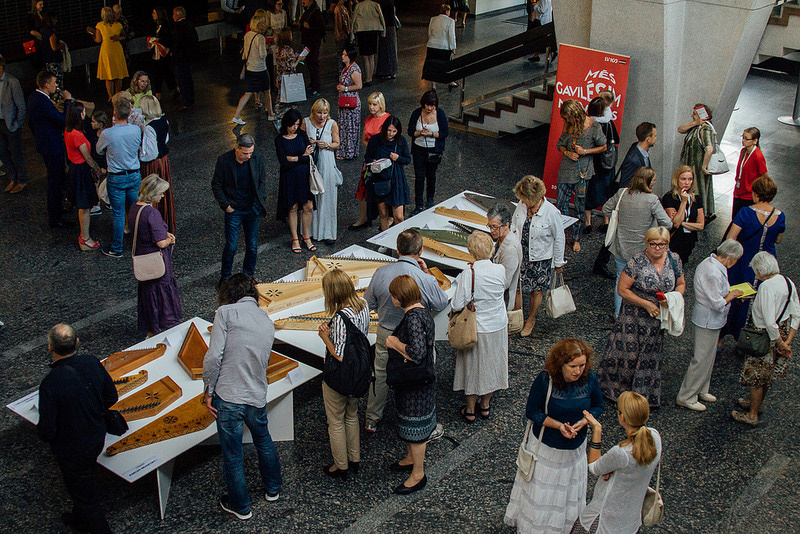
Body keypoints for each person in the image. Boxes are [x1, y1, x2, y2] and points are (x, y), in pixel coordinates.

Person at [203, 274, 283, 520]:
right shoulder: (266, 320)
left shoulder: (224, 313)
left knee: (233, 455)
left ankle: (241, 506)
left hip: (228, 395)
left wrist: (208, 390)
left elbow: (214, 357)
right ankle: (273, 489)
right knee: (264, 441)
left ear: (229, 293)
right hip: (256, 394)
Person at [504, 338, 604, 534]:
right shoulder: (545, 380)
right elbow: (532, 412)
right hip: (547, 450)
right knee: (544, 496)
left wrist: (584, 421)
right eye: (573, 366)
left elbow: (598, 406)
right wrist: (559, 426)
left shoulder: (590, 378)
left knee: (566, 494)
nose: (578, 371)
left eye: (582, 365)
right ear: (561, 364)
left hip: (575, 451)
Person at [364, 229, 449, 433]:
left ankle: (372, 418)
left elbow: (368, 304)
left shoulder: (381, 273)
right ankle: (423, 418)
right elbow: (441, 303)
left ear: (397, 249)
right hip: (416, 334)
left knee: (380, 374)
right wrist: (427, 274)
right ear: (420, 251)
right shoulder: (424, 279)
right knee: (423, 372)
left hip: (387, 333)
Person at [38, 323, 116, 534]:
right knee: (82, 481)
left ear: (50, 347)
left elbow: (47, 430)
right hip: (97, 436)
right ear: (77, 342)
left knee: (85, 497)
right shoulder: (91, 362)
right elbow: (111, 396)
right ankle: (77, 518)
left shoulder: (50, 384)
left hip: (73, 449)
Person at [598, 227, 685, 408]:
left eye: (662, 244)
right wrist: (646, 304)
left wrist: (672, 298)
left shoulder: (674, 260)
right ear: (646, 244)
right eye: (653, 244)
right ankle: (617, 392)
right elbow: (622, 289)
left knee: (649, 357)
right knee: (627, 355)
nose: (657, 248)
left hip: (657, 318)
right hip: (633, 317)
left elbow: (681, 283)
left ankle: (642, 395)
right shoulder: (637, 261)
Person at [576, 391, 662, 534]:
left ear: (622, 417)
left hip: (604, 520)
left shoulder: (621, 453)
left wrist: (597, 429)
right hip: (630, 521)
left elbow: (594, 467)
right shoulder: (655, 437)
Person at [732, 252, 800, 426]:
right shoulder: (788, 281)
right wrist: (787, 341)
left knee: (756, 376)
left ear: (761, 270)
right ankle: (756, 404)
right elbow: (796, 314)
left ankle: (752, 414)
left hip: (764, 336)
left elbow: (769, 322)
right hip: (782, 333)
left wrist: (780, 344)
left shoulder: (766, 287)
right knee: (767, 375)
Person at [385, 274, 439, 494]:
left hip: (415, 385)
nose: (392, 299)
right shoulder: (423, 311)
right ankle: (410, 458)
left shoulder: (412, 319)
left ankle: (418, 474)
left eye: (393, 295)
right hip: (421, 381)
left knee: (416, 430)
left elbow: (417, 353)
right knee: (413, 427)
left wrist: (394, 343)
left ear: (401, 297)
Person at [675, 240, 744, 412]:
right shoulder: (712, 272)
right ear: (730, 257)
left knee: (709, 357)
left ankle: (701, 388)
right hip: (707, 319)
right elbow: (717, 302)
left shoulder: (712, 263)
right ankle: (686, 396)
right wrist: (732, 295)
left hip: (712, 319)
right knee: (700, 359)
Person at [317, 269, 370, 479]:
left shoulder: (340, 317)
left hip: (339, 377)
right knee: (352, 415)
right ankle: (355, 458)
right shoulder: (363, 305)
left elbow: (340, 355)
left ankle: (341, 466)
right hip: (358, 373)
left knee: (336, 422)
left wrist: (325, 338)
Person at [452, 232, 508, 422]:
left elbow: (457, 304)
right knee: (491, 365)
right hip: (498, 324)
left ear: (471, 251)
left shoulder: (469, 273)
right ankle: (485, 405)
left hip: (476, 327)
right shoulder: (500, 269)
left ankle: (470, 409)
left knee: (472, 368)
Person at [602, 167, 672, 316]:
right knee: (640, 283)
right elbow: (667, 223)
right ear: (647, 182)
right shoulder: (652, 200)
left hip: (621, 246)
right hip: (642, 250)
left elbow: (606, 209)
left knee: (620, 280)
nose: (654, 183)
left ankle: (618, 314)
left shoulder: (622, 193)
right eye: (653, 180)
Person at [723, 175, 784, 341]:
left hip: (744, 260)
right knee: (760, 299)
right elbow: (778, 239)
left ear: (756, 194)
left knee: (736, 295)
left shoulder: (745, 212)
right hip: (767, 264)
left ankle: (727, 333)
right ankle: (749, 338)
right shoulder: (780, 216)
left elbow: (731, 238)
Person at [510, 175, 566, 337]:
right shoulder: (521, 206)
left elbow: (559, 238)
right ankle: (518, 317)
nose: (522, 202)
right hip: (521, 254)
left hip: (540, 258)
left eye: (525, 199)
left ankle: (531, 319)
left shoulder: (552, 213)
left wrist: (558, 262)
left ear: (534, 197)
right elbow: (514, 224)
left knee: (536, 291)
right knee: (517, 288)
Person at [127, 174, 182, 336]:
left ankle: (152, 328)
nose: (162, 196)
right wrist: (169, 239)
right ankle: (166, 325)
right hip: (157, 261)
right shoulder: (152, 213)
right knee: (162, 295)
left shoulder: (135, 208)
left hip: (143, 259)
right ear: (151, 194)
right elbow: (161, 243)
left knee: (149, 295)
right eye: (160, 193)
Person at [212, 134, 268, 286]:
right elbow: (216, 185)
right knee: (231, 246)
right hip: (234, 209)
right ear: (236, 148)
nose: (248, 156)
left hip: (252, 208)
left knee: (252, 246)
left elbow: (262, 181)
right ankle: (225, 278)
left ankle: (248, 276)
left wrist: (258, 203)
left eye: (250, 153)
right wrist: (226, 206)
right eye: (245, 153)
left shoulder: (257, 158)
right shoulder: (224, 160)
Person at [556, 99, 607, 252]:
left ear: (575, 114)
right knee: (561, 205)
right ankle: (560, 236)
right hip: (566, 171)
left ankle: (576, 238)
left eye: (568, 117)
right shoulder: (568, 125)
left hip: (582, 174)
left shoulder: (593, 126)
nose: (567, 120)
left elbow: (603, 146)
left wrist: (585, 151)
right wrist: (567, 152)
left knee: (579, 207)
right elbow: (560, 144)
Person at [97, 96, 142, 258]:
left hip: (116, 177)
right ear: (129, 113)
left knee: (118, 213)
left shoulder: (108, 133)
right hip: (134, 174)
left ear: (114, 113)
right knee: (136, 210)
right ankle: (141, 244)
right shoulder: (136, 130)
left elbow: (99, 150)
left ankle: (117, 247)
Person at [27, 70, 72, 227]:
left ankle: (57, 208)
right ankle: (55, 217)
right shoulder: (43, 102)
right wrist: (67, 101)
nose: (56, 85)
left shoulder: (33, 97)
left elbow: (31, 123)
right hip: (52, 146)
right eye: (54, 83)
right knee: (55, 181)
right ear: (46, 85)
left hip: (44, 143)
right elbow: (62, 120)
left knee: (56, 178)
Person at [275, 109, 317, 253]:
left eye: (297, 124)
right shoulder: (279, 139)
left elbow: (311, 157)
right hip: (289, 177)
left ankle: (306, 236)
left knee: (308, 206)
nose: (295, 127)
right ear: (286, 124)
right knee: (292, 207)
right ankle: (295, 238)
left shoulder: (302, 135)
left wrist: (294, 158)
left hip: (304, 176)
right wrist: (302, 156)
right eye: (292, 124)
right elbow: (284, 162)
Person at [303, 98, 343, 244]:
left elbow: (337, 144)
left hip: (327, 162)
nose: (322, 116)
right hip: (312, 162)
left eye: (325, 113)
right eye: (319, 113)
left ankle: (328, 233)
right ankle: (310, 231)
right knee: (311, 196)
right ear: (314, 112)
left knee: (327, 196)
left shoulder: (332, 124)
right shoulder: (305, 122)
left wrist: (326, 145)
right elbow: (299, 139)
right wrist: (307, 142)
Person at [64, 102, 103, 251]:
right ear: (79, 115)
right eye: (83, 112)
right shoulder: (77, 134)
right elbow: (87, 157)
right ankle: (85, 238)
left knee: (82, 205)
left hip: (74, 169)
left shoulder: (68, 130)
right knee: (84, 206)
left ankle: (84, 237)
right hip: (81, 171)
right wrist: (97, 168)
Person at [349, 91, 389, 230]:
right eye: (370, 104)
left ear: (381, 105)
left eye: (374, 104)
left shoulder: (387, 119)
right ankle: (363, 217)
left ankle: (388, 218)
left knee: (384, 189)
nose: (371, 107)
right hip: (370, 158)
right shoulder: (368, 119)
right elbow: (365, 139)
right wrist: (372, 150)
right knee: (363, 188)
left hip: (383, 160)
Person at [364, 115, 411, 231]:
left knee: (399, 217)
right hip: (380, 179)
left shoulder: (401, 141)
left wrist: (398, 158)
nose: (391, 134)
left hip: (396, 179)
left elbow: (407, 159)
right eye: (389, 130)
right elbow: (367, 156)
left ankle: (400, 238)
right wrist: (373, 161)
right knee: (383, 213)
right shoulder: (375, 140)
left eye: (394, 131)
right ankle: (384, 237)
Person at [408, 89, 449, 215]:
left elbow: (444, 133)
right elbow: (410, 131)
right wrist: (420, 133)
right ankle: (418, 204)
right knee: (419, 177)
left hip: (433, 150)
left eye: (432, 106)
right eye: (427, 105)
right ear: (423, 103)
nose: (430, 108)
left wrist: (430, 134)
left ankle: (430, 199)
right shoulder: (417, 113)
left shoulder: (440, 114)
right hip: (419, 149)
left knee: (431, 176)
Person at [139, 95, 175, 234]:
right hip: (163, 160)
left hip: (154, 163)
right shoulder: (164, 121)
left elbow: (151, 153)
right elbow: (165, 139)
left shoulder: (149, 127)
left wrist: (141, 156)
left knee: (152, 191)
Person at [233, 13, 276, 124]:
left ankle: (236, 115)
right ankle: (271, 114)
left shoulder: (247, 35)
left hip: (250, 69)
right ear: (260, 25)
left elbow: (245, 52)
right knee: (267, 91)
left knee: (248, 93)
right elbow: (262, 55)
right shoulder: (260, 38)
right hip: (260, 69)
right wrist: (267, 48)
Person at [584, 94, 618, 233]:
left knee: (588, 192)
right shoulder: (609, 124)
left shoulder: (589, 125)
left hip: (591, 163)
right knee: (606, 192)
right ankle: (606, 221)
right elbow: (616, 140)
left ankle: (587, 223)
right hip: (606, 164)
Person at [677, 103, 716, 221]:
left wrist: (704, 166)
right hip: (691, 166)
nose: (692, 116)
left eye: (694, 114)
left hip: (697, 168)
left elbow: (709, 149)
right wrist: (695, 122)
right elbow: (680, 129)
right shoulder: (695, 127)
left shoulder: (705, 128)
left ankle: (700, 215)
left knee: (698, 191)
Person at [661, 165, 704, 266]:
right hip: (674, 239)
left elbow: (701, 225)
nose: (687, 182)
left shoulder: (696, 199)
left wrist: (682, 223)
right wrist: (684, 202)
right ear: (677, 180)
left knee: (681, 265)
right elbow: (675, 224)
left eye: (690, 179)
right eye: (683, 179)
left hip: (689, 239)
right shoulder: (669, 197)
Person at [0, 55, 28, 194]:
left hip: (10, 123)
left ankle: (22, 179)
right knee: (2, 152)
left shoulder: (12, 82)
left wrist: (17, 124)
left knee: (16, 152)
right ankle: (12, 176)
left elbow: (21, 106)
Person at [488, 203, 523, 315]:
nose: (491, 230)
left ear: (506, 225)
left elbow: (505, 282)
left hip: (502, 302)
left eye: (495, 227)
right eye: (489, 226)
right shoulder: (501, 238)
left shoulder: (510, 249)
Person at [732, 127, 768, 219]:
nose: (743, 140)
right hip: (738, 191)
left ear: (755, 141)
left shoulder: (758, 156)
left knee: (744, 221)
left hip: (749, 195)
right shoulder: (743, 151)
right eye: (743, 137)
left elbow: (765, 176)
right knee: (735, 219)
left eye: (746, 139)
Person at [94, 6, 128, 102]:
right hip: (117, 50)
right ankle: (118, 94)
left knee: (108, 75)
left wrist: (93, 37)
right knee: (118, 73)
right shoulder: (118, 25)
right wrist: (119, 38)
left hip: (106, 51)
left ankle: (110, 96)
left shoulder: (99, 25)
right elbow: (124, 35)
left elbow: (98, 40)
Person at [334, 45, 363, 160]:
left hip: (351, 103)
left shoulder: (354, 69)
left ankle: (349, 151)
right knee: (344, 126)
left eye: (345, 55)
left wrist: (345, 88)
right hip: (344, 101)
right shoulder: (346, 68)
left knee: (350, 127)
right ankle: (344, 150)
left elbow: (359, 85)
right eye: (343, 54)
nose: (343, 56)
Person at [350, 0, 385, 86]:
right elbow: (381, 18)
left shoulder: (359, 6)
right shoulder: (375, 5)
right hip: (373, 30)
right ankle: (370, 77)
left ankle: (367, 79)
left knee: (365, 57)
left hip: (362, 31)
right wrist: (383, 31)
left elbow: (354, 19)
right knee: (371, 56)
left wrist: (352, 34)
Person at [146, 7, 177, 101]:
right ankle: (158, 93)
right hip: (155, 55)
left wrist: (158, 40)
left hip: (164, 55)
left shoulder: (166, 26)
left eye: (154, 13)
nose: (153, 15)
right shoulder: (154, 26)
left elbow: (168, 39)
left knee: (167, 73)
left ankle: (174, 89)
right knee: (156, 74)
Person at [171, 6, 198, 110]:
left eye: (174, 14)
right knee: (189, 80)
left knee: (182, 81)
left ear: (178, 14)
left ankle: (186, 103)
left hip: (180, 58)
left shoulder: (178, 26)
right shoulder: (190, 24)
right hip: (189, 57)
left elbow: (176, 42)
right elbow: (195, 39)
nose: (173, 16)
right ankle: (191, 101)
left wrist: (173, 52)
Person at [424, 4, 456, 88]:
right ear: (447, 11)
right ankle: (450, 81)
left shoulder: (433, 19)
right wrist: (453, 48)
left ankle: (433, 86)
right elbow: (451, 36)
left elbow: (430, 32)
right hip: (444, 47)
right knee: (447, 65)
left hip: (432, 45)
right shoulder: (450, 21)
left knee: (432, 66)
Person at [299, 0, 325, 96]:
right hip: (308, 42)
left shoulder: (315, 13)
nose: (303, 1)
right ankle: (313, 83)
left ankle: (316, 86)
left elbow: (321, 29)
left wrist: (309, 27)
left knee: (313, 63)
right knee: (310, 63)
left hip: (313, 42)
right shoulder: (309, 11)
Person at [273, 28, 300, 118]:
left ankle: (278, 115)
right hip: (289, 78)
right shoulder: (288, 50)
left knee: (281, 97)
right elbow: (290, 66)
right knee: (290, 100)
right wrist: (299, 60)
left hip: (280, 77)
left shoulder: (278, 49)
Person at [375, 0, 398, 79]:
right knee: (391, 48)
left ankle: (387, 71)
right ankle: (391, 71)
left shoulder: (384, 2)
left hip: (386, 26)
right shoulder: (390, 1)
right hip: (390, 25)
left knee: (386, 48)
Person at [333, 0, 352, 71]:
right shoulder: (340, 8)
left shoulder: (340, 8)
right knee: (341, 54)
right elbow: (343, 23)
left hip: (340, 35)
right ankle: (341, 70)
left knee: (341, 53)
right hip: (342, 35)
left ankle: (341, 70)